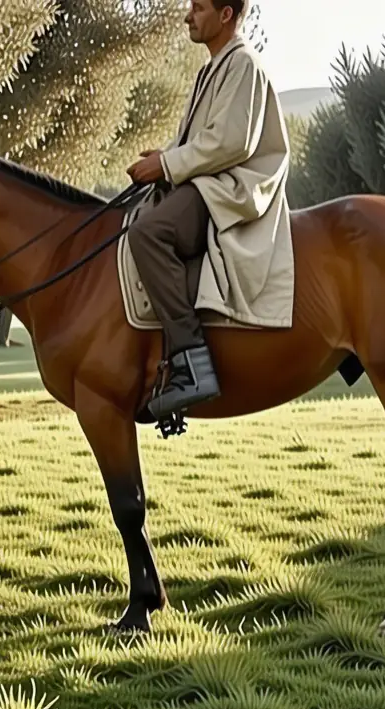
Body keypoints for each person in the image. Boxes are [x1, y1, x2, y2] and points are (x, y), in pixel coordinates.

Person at [125, 0, 291, 421]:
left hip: (229, 188)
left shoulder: (243, 64)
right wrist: (165, 157)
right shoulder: (213, 69)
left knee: (148, 233)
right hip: (207, 182)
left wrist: (166, 164)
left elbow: (231, 143)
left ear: (226, 15)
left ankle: (191, 361)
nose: (188, 15)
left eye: (198, 8)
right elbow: (203, 139)